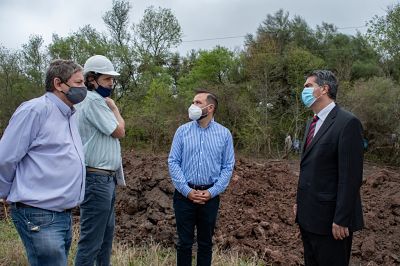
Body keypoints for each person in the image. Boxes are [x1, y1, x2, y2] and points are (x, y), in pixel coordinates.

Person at [0, 59, 87, 266]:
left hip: (62, 215)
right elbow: (6, 156)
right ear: (59, 84)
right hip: (38, 213)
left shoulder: (69, 115)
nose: (83, 88)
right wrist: (4, 191)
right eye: (78, 83)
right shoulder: (36, 110)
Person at [294, 70, 364, 265]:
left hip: (331, 223)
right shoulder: (311, 123)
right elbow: (309, 168)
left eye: (308, 86)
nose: (303, 90)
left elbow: (350, 177)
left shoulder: (347, 123)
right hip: (308, 216)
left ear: (324, 89)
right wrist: (299, 203)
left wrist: (342, 219)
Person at [168, 89, 235, 266]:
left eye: (198, 103)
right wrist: (186, 190)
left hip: (209, 198)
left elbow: (228, 167)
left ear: (210, 107)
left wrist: (212, 191)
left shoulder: (224, 134)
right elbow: (173, 161)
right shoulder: (182, 131)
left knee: (205, 243)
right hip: (184, 196)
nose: (193, 106)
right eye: (193, 102)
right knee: (184, 243)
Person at [74, 55, 125, 266]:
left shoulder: (90, 101)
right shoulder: (94, 101)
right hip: (97, 179)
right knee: (92, 241)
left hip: (105, 179)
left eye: (112, 80)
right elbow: (119, 130)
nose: (111, 84)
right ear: (91, 79)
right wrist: (115, 109)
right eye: (107, 79)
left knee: (104, 238)